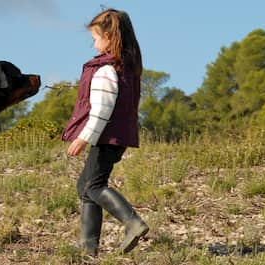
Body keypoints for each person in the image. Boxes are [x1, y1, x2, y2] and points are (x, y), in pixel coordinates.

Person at [61, 8, 148, 256]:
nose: (94, 44)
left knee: (94, 186)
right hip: (116, 137)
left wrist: (82, 138)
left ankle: (132, 223)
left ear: (109, 36)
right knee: (86, 187)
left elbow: (101, 111)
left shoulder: (106, 71)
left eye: (95, 39)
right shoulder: (125, 68)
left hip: (106, 137)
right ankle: (88, 249)